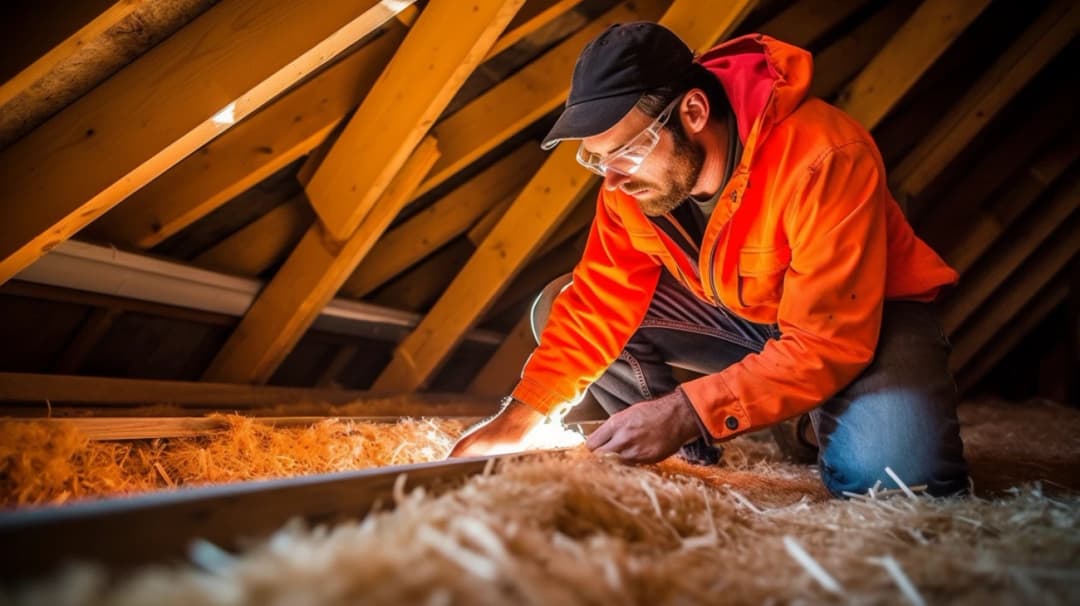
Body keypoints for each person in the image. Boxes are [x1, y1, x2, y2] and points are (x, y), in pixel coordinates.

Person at [449, 22, 968, 497]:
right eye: (596, 159)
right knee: (557, 304)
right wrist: (516, 418)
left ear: (694, 113)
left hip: (866, 323)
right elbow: (598, 303)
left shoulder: (824, 157)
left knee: (896, 485)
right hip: (749, 318)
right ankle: (724, 436)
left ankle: (808, 418)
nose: (612, 179)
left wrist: (687, 411)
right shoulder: (630, 186)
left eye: (624, 152)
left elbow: (825, 340)